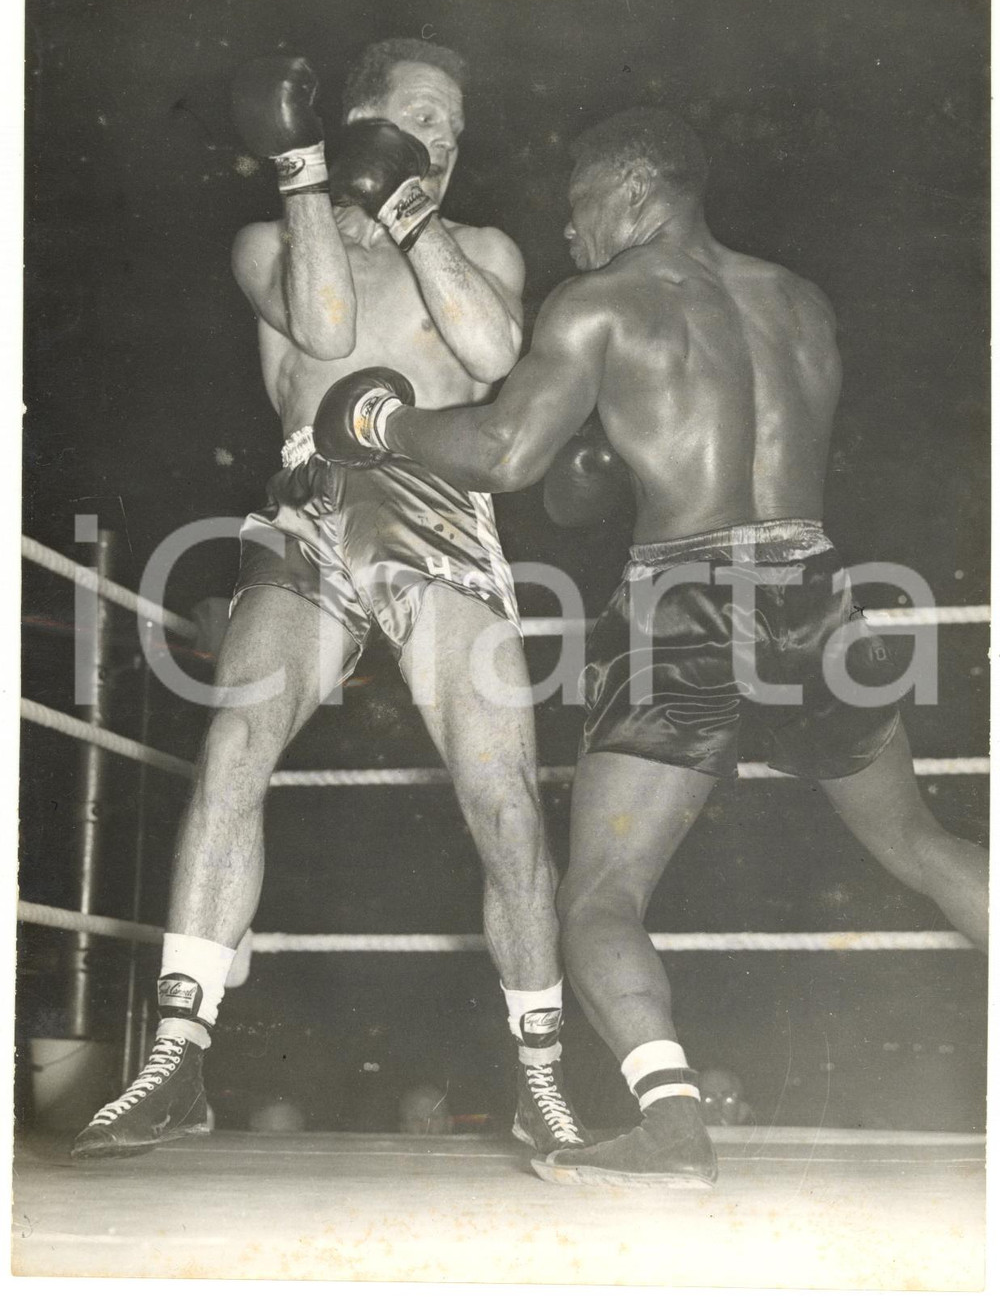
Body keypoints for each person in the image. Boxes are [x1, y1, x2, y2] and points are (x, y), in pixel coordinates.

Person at [315, 106, 989, 1187]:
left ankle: (672, 1130)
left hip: (687, 599)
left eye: (578, 208)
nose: (569, 235)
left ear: (633, 193)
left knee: (600, 895)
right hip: (816, 586)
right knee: (918, 844)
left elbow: (502, 449)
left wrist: (376, 428)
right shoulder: (799, 301)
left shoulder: (597, 306)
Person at [71, 39, 589, 1160]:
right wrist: (309, 172)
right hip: (309, 500)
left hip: (439, 506)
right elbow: (325, 330)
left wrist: (410, 216)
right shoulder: (266, 236)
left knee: (500, 795)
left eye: (456, 127)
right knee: (233, 748)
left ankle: (541, 1079)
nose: (444, 140)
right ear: (360, 120)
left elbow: (494, 351)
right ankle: (175, 1061)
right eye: (419, 117)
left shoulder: (484, 245)